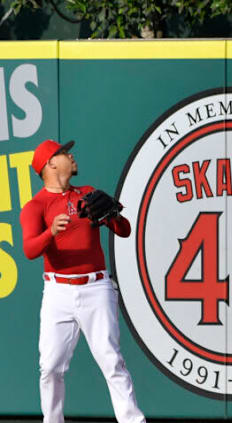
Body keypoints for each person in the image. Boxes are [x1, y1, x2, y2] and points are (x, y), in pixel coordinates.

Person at [20, 139, 146, 423]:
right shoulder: (35, 206)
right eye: (64, 153)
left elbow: (124, 230)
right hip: (57, 292)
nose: (71, 155)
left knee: (111, 360)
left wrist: (111, 214)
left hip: (96, 288)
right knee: (50, 367)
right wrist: (51, 231)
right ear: (50, 164)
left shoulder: (88, 194)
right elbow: (29, 249)